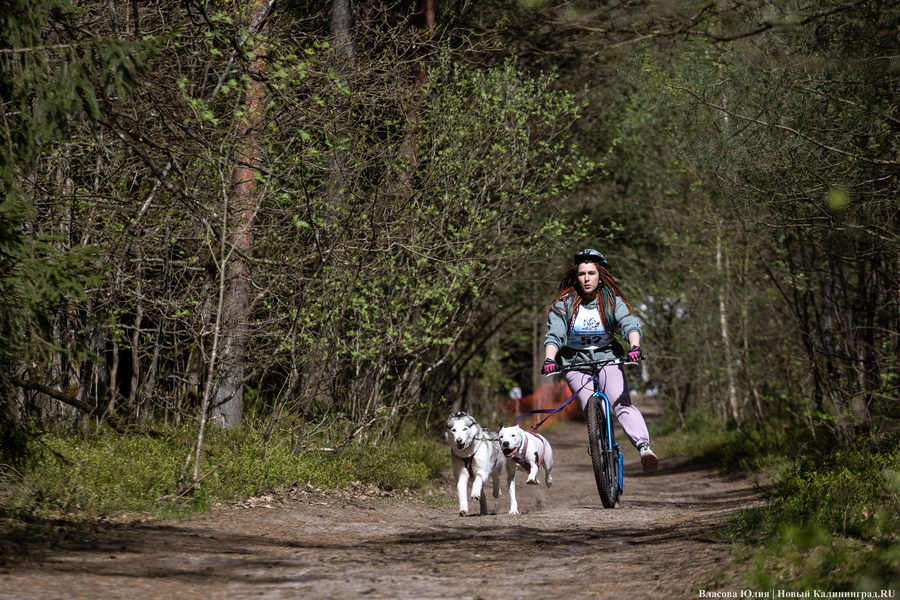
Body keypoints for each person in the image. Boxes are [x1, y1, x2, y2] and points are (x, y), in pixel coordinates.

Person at [541, 249, 659, 472]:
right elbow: (554, 334)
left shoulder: (611, 302)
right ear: (576, 276)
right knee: (592, 411)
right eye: (582, 274)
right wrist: (550, 359)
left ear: (600, 275)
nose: (586, 278)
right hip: (576, 364)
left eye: (591, 273)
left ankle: (644, 448)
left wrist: (634, 346)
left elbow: (629, 325)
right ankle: (602, 460)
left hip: (608, 359)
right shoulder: (564, 305)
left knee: (620, 402)